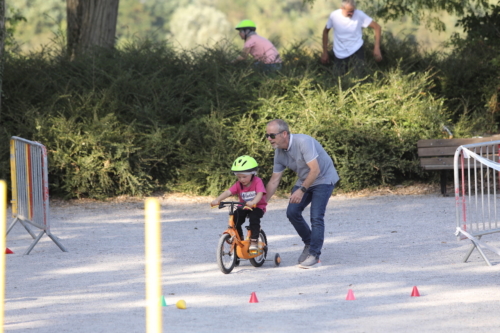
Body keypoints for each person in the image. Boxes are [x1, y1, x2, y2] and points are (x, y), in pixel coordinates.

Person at [265, 119, 339, 269]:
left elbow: (315, 170)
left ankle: (314, 255)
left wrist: (301, 190)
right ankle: (309, 242)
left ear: (284, 134)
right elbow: (274, 181)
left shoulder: (303, 141)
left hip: (324, 179)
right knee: (292, 212)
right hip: (305, 180)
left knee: (316, 216)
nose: (269, 139)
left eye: (272, 135)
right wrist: (261, 202)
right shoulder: (279, 153)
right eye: (266, 135)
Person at [211, 155, 267, 252]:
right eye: (239, 177)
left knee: (254, 218)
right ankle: (238, 240)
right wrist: (217, 200)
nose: (242, 180)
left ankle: (254, 240)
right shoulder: (239, 184)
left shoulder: (257, 181)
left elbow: (260, 194)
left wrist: (253, 202)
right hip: (244, 207)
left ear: (252, 173)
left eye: (244, 177)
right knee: (236, 218)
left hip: (257, 206)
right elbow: (228, 192)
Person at [321, 0, 382, 73]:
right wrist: (325, 52)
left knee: (359, 78)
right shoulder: (334, 16)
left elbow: (377, 27)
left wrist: (377, 48)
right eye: (349, 11)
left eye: (353, 11)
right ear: (342, 8)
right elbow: (325, 32)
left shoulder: (359, 14)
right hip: (339, 53)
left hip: (356, 50)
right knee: (339, 80)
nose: (351, 13)